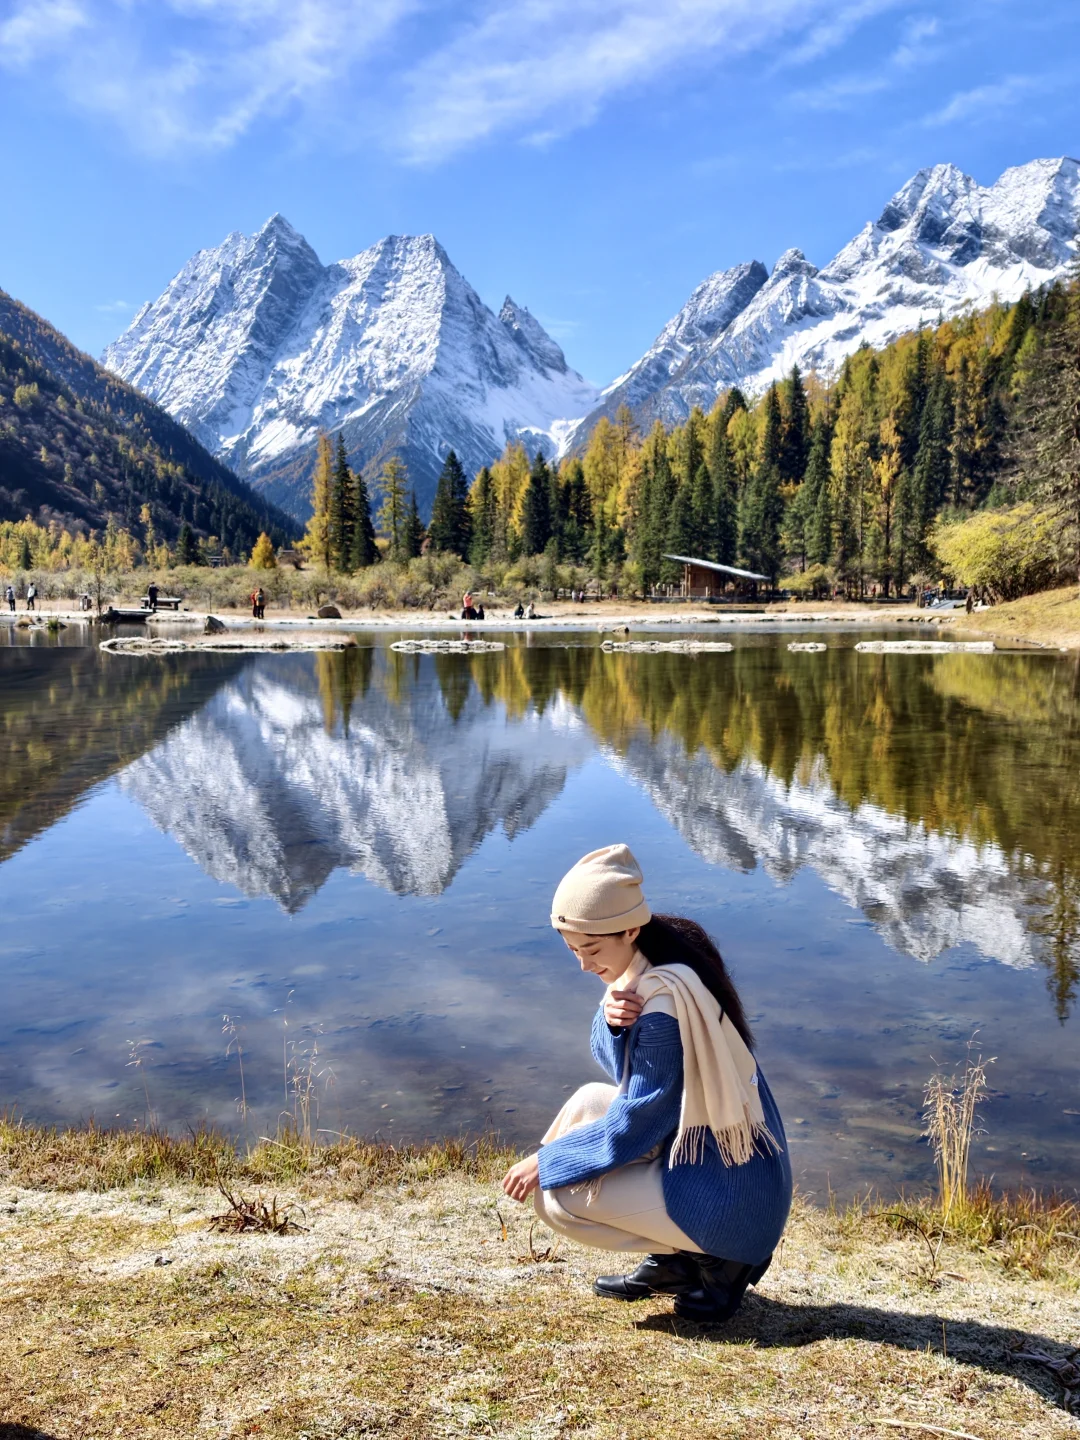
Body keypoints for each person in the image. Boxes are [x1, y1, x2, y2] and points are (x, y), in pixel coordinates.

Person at [501, 844, 792, 1323]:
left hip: (730, 1202)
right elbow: (620, 1073)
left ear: (630, 929)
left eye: (591, 950)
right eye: (573, 950)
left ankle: (715, 1261)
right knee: (586, 1102)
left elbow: (636, 1124)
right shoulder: (673, 962)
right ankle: (678, 1260)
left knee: (554, 1197)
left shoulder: (661, 1006)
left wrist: (545, 1161)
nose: (583, 965)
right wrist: (612, 1021)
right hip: (742, 1177)